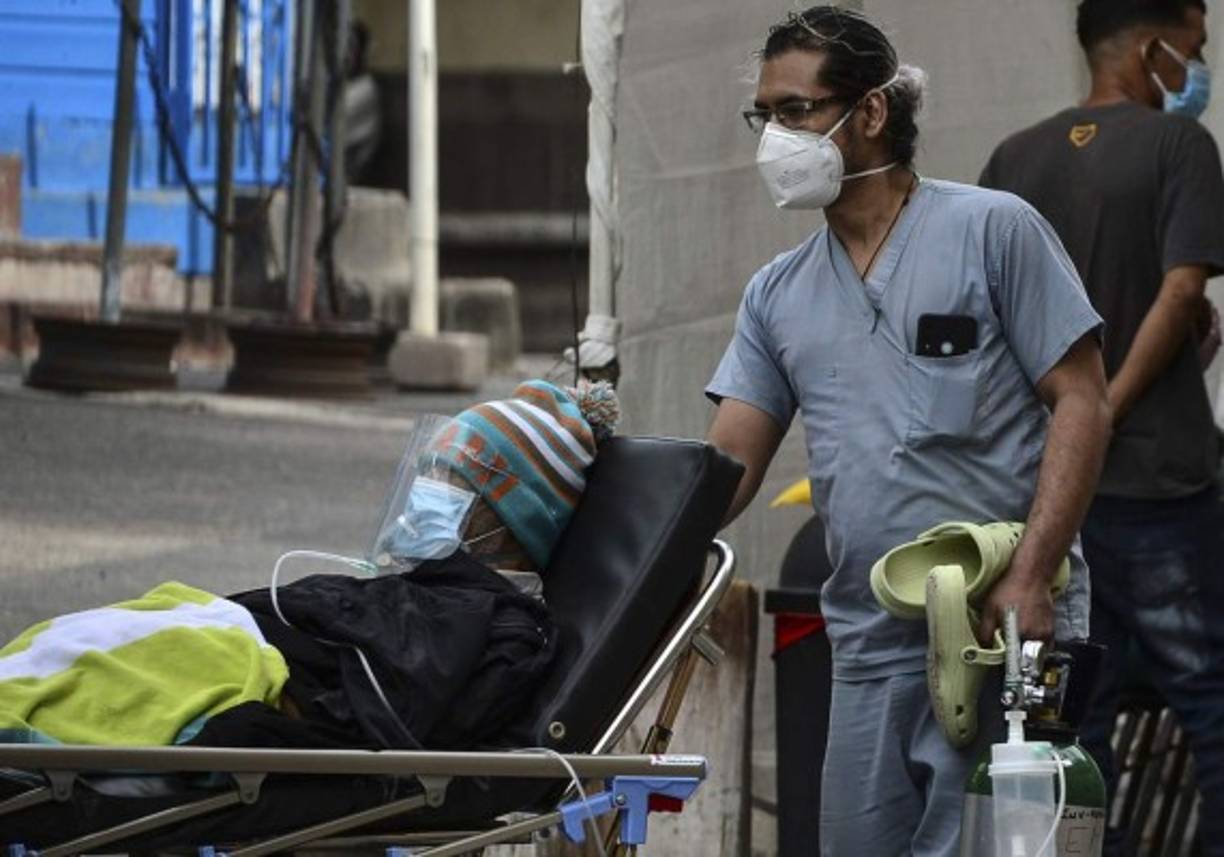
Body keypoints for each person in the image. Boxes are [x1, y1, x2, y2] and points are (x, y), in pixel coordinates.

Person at [704, 7, 1112, 854]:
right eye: (764, 115)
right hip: (868, 639)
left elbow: (1084, 400)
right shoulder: (777, 294)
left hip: (1004, 626)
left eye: (796, 110)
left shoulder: (993, 230)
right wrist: (595, 489)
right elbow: (724, 467)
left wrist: (1032, 574)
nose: (776, 138)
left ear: (871, 111)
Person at [0, 380, 619, 753]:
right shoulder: (434, 594)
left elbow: (373, 718)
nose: (424, 496)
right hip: (220, 628)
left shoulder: (504, 632)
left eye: (449, 483)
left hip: (242, 664)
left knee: (86, 680)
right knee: (74, 645)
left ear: (508, 519)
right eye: (427, 475)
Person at [979, 2, 1224, 853]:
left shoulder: (1014, 158)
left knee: (1068, 720)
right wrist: (1107, 405)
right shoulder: (1179, 144)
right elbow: (1182, 290)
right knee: (1211, 700)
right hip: (1159, 486)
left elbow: (990, 319)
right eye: (1195, 47)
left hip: (1045, 505)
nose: (1200, 67)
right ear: (1154, 46)